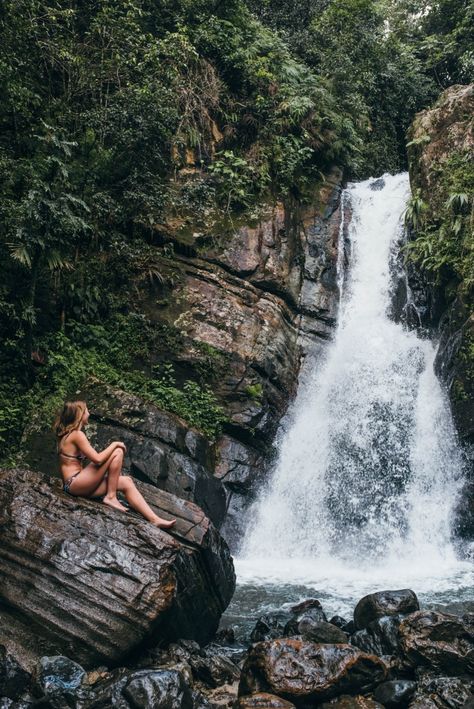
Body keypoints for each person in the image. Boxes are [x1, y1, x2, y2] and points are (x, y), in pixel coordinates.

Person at [54, 400, 176, 529]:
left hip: (78, 485)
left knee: (126, 482)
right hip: (74, 483)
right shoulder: (76, 435)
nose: (89, 413)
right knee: (117, 451)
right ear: (80, 415)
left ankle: (154, 519)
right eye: (87, 411)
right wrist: (115, 444)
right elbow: (97, 459)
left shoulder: (69, 435)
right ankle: (111, 497)